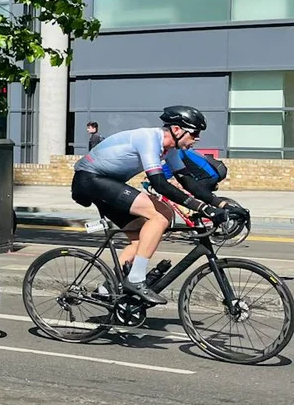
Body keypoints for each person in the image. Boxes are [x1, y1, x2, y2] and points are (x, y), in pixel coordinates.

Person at [70, 105, 220, 305]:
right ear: (176, 130)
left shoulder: (170, 150)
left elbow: (187, 181)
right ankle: (136, 278)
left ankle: (106, 290)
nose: (197, 138)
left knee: (140, 239)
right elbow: (159, 183)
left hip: (107, 183)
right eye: (195, 133)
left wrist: (219, 203)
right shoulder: (148, 139)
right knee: (161, 215)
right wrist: (200, 207)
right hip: (90, 180)